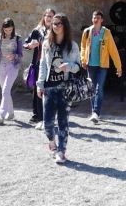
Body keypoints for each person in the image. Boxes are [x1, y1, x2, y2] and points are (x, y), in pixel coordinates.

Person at [37, 13, 80, 164]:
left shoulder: (72, 46)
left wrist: (70, 66)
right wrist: (40, 84)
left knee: (63, 122)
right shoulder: (47, 44)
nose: (55, 26)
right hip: (49, 89)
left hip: (65, 89)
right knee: (47, 124)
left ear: (65, 26)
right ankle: (52, 142)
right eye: (53, 24)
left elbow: (79, 67)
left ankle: (61, 151)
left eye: (59, 23)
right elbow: (43, 64)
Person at [80, 10, 122, 124]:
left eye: (98, 18)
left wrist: (118, 67)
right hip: (90, 65)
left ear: (102, 20)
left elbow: (113, 50)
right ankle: (94, 111)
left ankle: (96, 112)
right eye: (94, 17)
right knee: (91, 88)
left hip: (102, 66)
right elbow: (83, 47)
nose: (96, 20)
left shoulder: (106, 33)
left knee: (99, 88)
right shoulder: (87, 32)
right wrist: (83, 60)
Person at [23, 8, 55, 127]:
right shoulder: (37, 30)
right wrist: (30, 46)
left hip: (51, 65)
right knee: (37, 90)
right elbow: (25, 44)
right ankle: (37, 115)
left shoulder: (56, 31)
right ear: (43, 17)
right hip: (38, 64)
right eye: (47, 15)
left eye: (51, 16)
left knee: (49, 90)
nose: (49, 18)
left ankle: (47, 115)